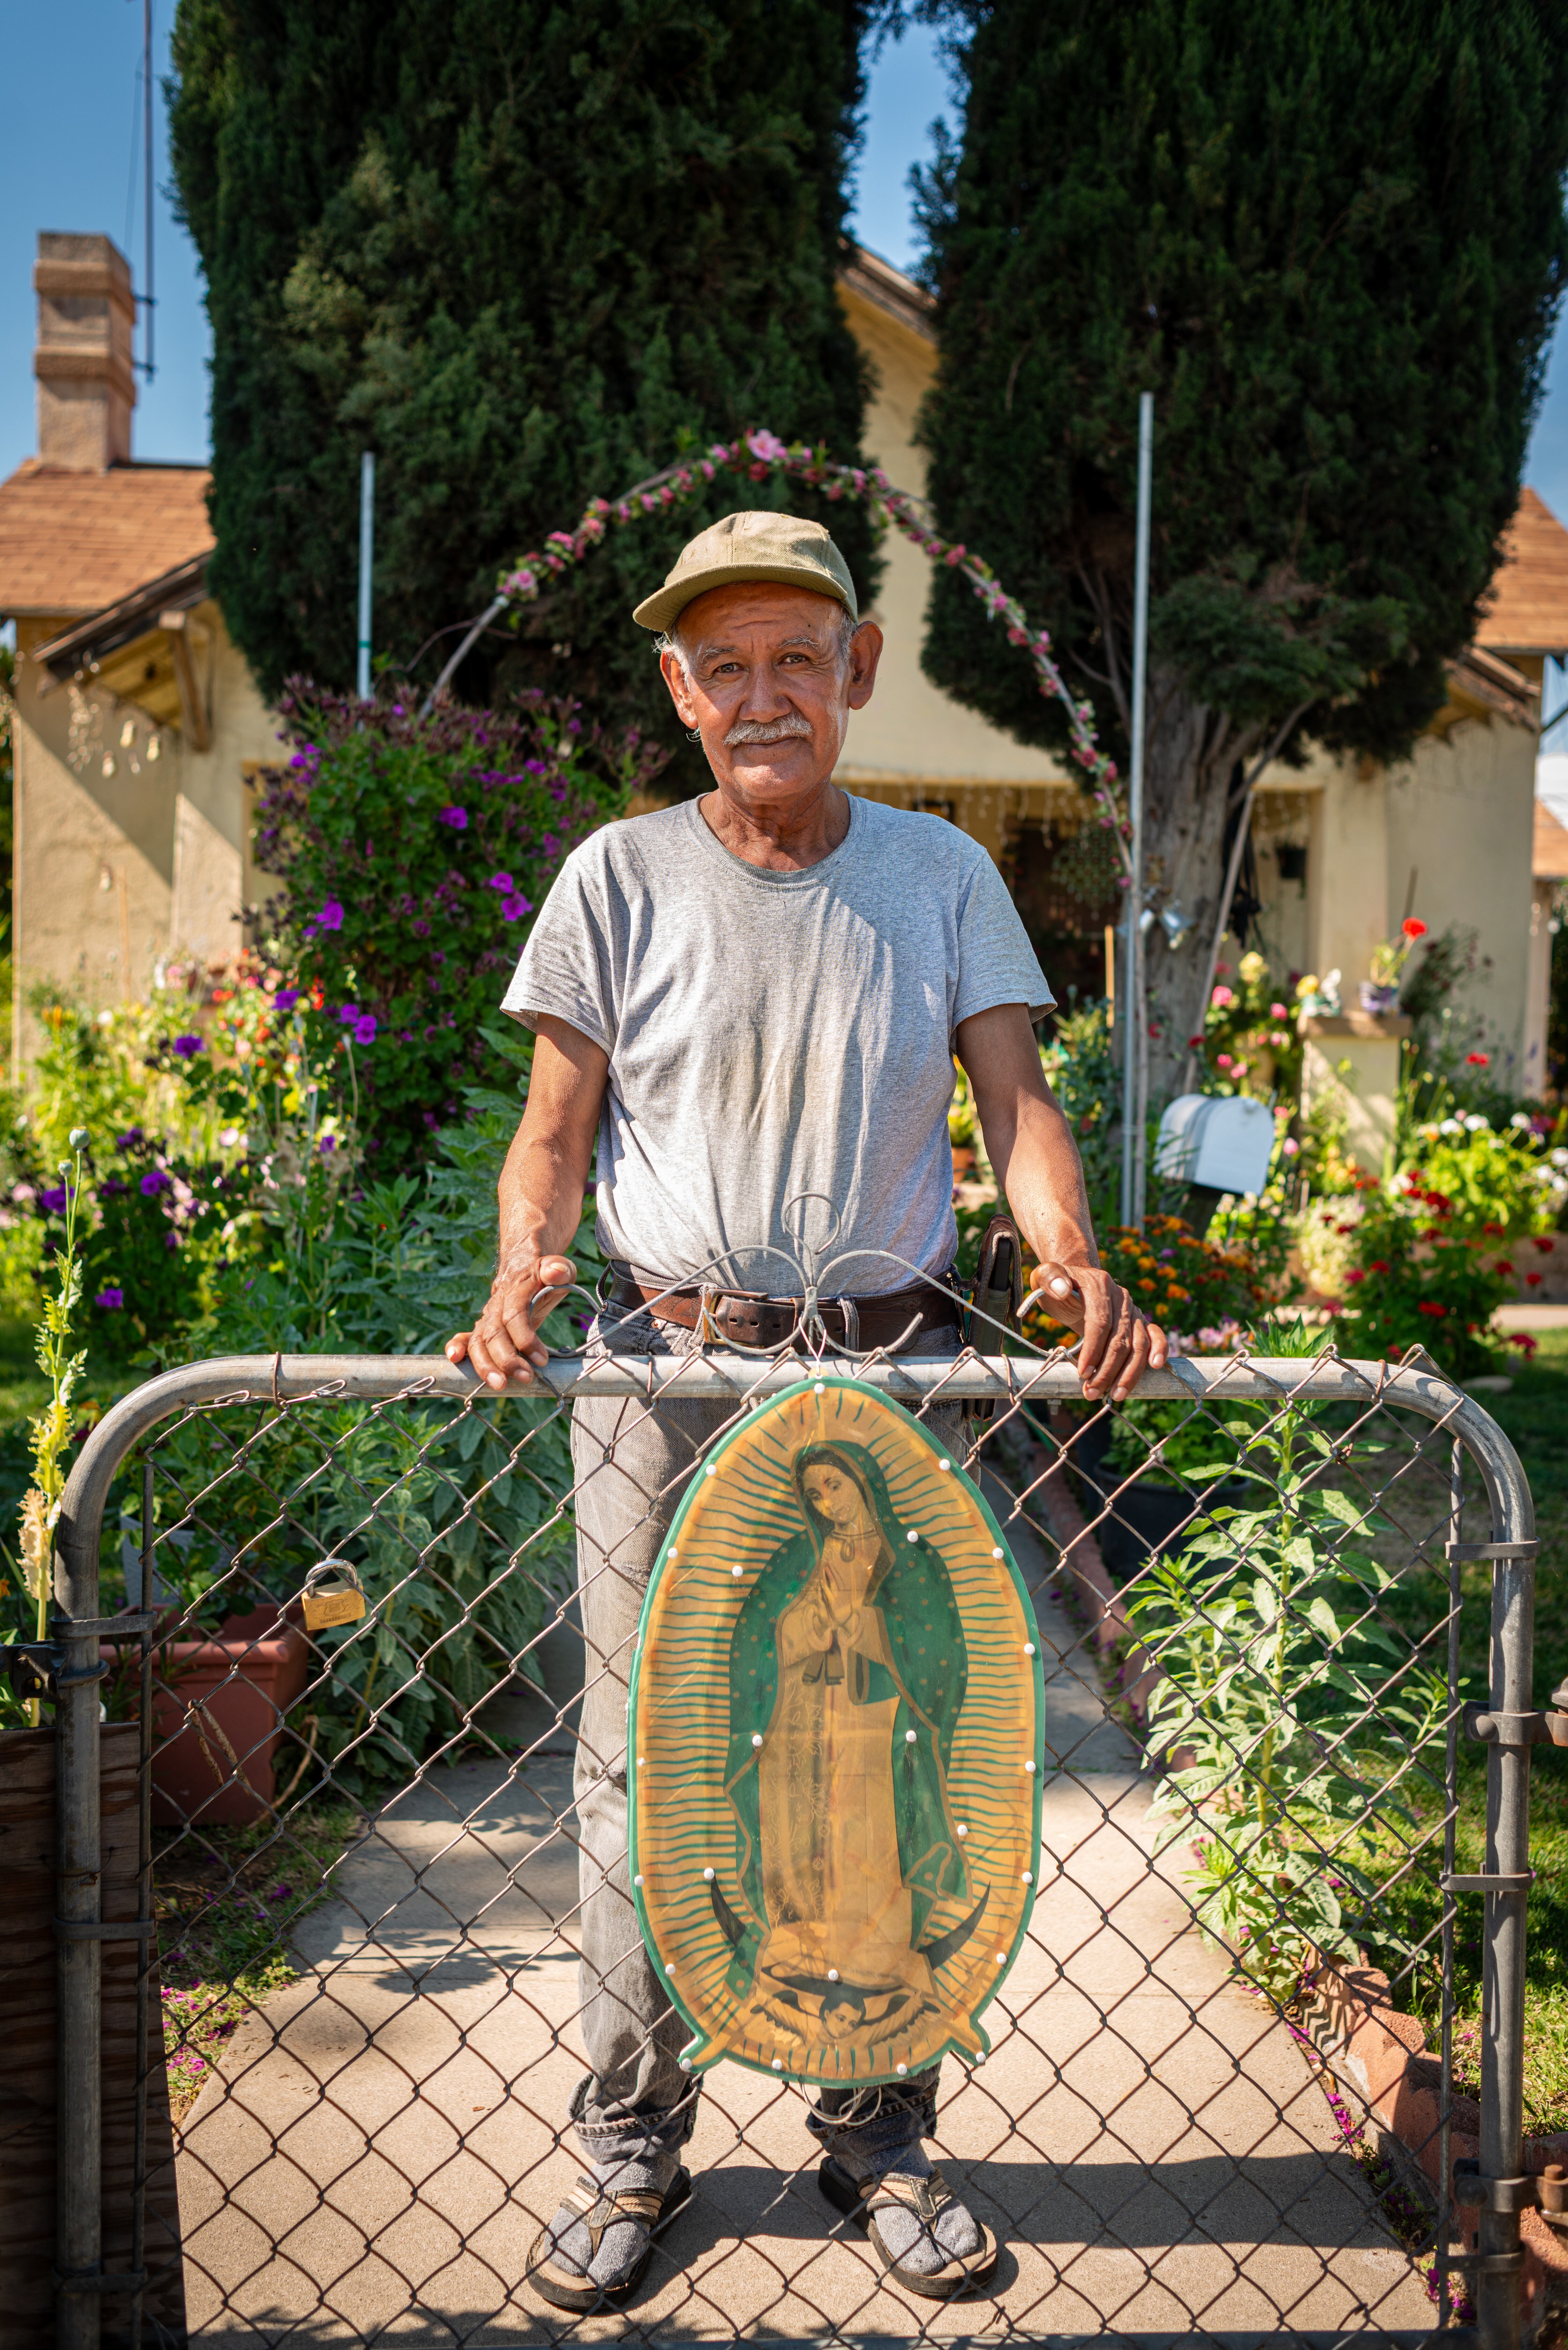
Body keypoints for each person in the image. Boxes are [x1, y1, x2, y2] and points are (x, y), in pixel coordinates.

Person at [446, 507, 1167, 2309]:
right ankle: (631, 2145)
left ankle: (879, 2138)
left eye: (797, 657)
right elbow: (553, 1137)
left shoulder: (940, 879)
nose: (763, 693)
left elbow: (1015, 1109)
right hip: (668, 1375)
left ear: (854, 672)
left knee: (884, 1756)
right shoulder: (617, 875)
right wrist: (524, 1265)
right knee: (640, 1768)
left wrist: (1071, 1260)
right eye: (724, 665)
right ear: (683, 694)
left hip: (884, 1370)